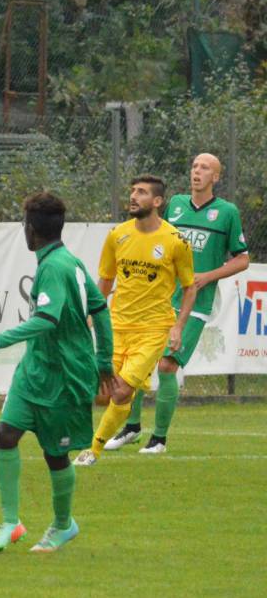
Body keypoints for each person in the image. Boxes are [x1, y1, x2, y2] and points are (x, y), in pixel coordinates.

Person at [0, 192, 113, 553]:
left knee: (55, 454)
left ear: (30, 229)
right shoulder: (68, 261)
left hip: (64, 376)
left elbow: (46, 320)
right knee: (5, 433)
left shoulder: (56, 267)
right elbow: (101, 309)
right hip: (34, 371)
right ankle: (10, 523)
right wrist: (105, 359)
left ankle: (64, 525)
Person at [105, 154, 248, 454]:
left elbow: (242, 259)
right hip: (158, 300)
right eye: (195, 166)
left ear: (216, 177)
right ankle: (131, 428)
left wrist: (208, 275)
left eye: (205, 168)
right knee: (137, 364)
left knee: (167, 365)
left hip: (195, 303)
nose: (197, 172)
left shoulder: (226, 213)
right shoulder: (176, 205)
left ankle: (159, 438)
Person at [74, 176, 196, 467]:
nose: (133, 196)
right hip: (117, 325)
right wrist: (92, 316)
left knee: (123, 390)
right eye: (131, 191)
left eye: (141, 192)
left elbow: (190, 287)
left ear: (157, 202)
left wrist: (178, 327)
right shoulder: (118, 235)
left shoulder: (175, 241)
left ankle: (93, 450)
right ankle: (111, 431)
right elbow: (105, 280)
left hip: (153, 330)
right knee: (101, 393)